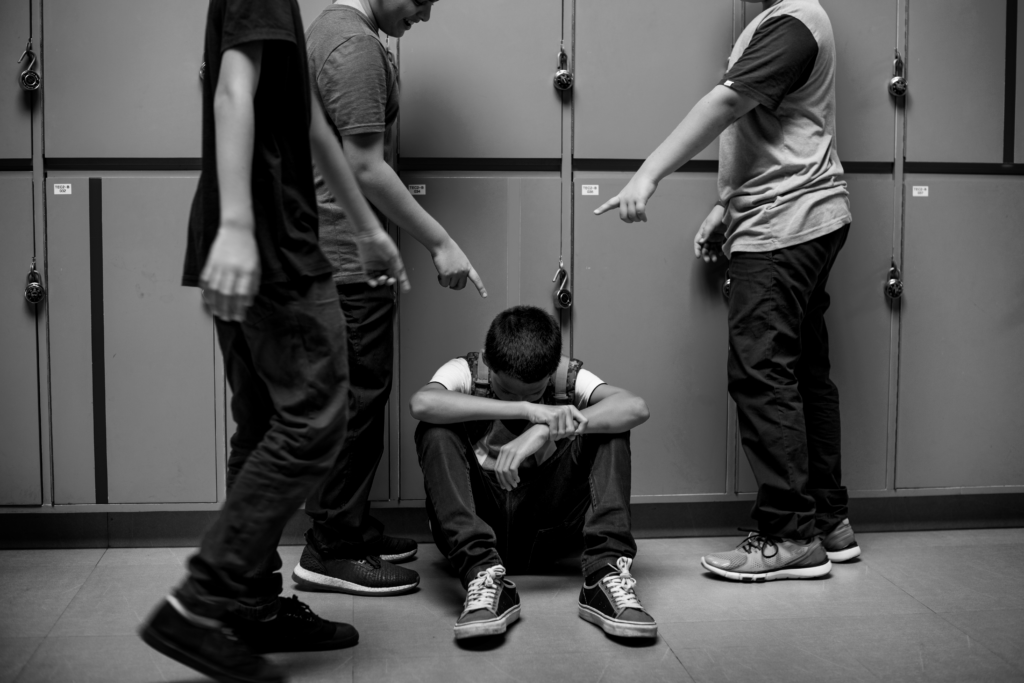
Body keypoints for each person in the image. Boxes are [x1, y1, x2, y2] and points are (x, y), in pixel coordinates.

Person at [139, 0, 409, 680]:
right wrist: (238, 224)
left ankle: (250, 607)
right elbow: (233, 90)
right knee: (316, 417)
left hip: (266, 235)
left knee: (263, 424)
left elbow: (309, 120)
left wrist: (367, 228)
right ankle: (202, 601)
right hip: (271, 242)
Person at [596, 0, 857, 582]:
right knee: (803, 374)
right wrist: (726, 205)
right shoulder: (785, 20)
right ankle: (828, 522)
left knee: (761, 374)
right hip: (801, 213)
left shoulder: (792, 22)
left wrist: (648, 173)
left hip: (783, 222)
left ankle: (790, 535)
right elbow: (772, 126)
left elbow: (727, 103)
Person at [293, 0, 488, 597]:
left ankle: (349, 527)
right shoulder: (354, 46)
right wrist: (441, 242)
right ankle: (331, 548)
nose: (424, 14)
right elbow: (366, 167)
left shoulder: (334, 31)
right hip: (344, 261)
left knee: (357, 399)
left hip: (337, 254)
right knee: (356, 405)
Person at [410, 306, 657, 640]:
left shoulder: (566, 376)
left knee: (610, 426)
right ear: (488, 361)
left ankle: (605, 574)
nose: (521, 398)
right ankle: (483, 576)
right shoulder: (465, 371)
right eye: (507, 390)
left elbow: (635, 407)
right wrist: (527, 409)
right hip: (478, 525)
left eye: (533, 392)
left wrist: (544, 430)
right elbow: (422, 403)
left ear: (551, 371)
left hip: (549, 530)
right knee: (434, 428)